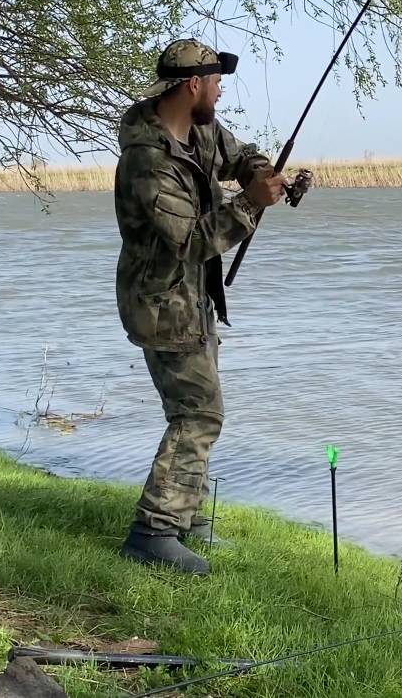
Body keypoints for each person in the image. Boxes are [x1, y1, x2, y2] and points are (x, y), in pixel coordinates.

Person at [112, 38, 290, 575]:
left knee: (194, 409)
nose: (219, 90)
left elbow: (240, 156)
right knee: (199, 412)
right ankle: (154, 532)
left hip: (194, 300)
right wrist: (250, 205)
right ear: (193, 85)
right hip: (162, 305)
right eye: (216, 82)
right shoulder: (148, 161)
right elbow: (189, 240)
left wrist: (262, 176)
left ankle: (185, 519)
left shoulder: (201, 129)